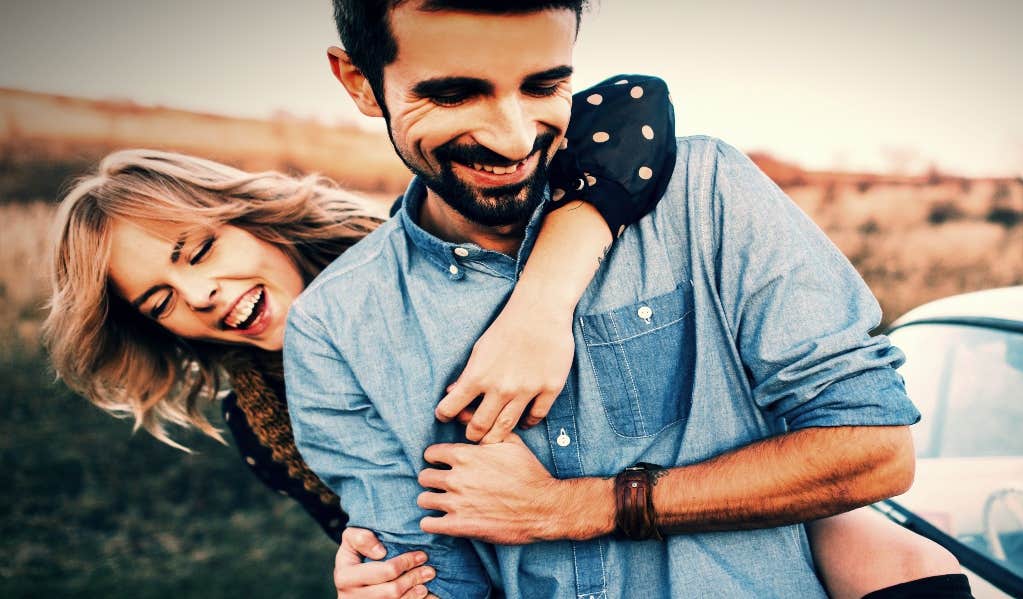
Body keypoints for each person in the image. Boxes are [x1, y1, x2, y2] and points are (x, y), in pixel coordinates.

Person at [44, 75, 965, 596]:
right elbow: (413, 537)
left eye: (199, 250)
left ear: (247, 216)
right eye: (159, 301)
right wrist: (375, 573)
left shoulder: (433, 240)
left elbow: (630, 112)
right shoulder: (266, 421)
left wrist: (542, 298)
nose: (199, 294)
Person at [285, 1, 972, 598]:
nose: (514, 138)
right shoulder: (335, 329)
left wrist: (577, 507)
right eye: (455, 94)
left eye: (544, 84)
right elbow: (433, 569)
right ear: (360, 82)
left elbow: (875, 450)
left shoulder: (707, 194)